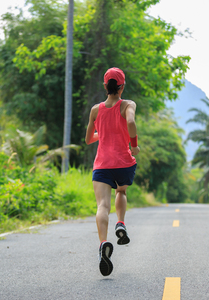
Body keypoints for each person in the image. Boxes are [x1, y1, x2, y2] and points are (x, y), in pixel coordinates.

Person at [85, 67, 140, 276]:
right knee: (121, 192)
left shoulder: (95, 110)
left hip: (102, 165)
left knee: (102, 206)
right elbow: (131, 122)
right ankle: (121, 223)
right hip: (123, 163)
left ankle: (103, 244)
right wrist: (133, 145)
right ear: (122, 86)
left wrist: (103, 133)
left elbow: (88, 139)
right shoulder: (127, 105)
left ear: (105, 86)